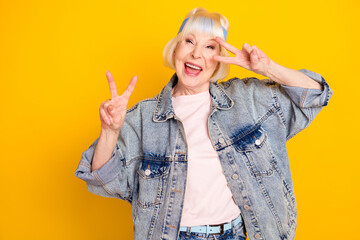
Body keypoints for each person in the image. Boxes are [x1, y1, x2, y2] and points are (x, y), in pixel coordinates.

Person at [75, 7, 332, 240]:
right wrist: (109, 132)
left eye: (210, 47)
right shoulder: (142, 118)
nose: (196, 53)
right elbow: (102, 180)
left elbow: (316, 96)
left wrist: (267, 68)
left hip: (232, 234)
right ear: (175, 49)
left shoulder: (246, 100)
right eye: (189, 41)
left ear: (219, 58)